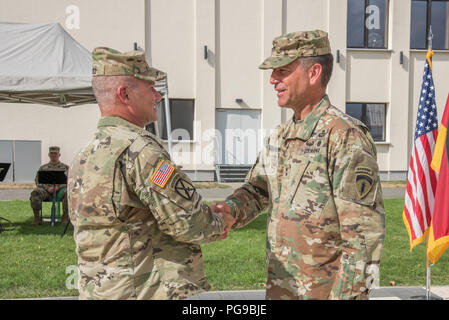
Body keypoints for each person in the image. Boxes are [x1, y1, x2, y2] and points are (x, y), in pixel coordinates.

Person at [212, 30, 385, 300]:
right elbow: (258, 190)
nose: (273, 80)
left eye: (282, 71)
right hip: (282, 290)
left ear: (314, 73)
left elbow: (363, 237)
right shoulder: (280, 136)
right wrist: (231, 210)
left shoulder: (344, 136)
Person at [68, 47, 235, 300]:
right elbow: (187, 222)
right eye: (150, 88)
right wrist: (220, 222)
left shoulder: (83, 155)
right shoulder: (141, 150)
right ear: (124, 94)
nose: (157, 95)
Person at [30, 146, 69, 225]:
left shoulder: (65, 168)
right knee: (35, 192)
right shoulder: (43, 168)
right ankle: (37, 218)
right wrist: (47, 188)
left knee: (68, 193)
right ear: (49, 154)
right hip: (46, 191)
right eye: (52, 153)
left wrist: (58, 187)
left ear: (59, 155)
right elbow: (38, 181)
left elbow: (69, 181)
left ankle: (65, 217)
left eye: (55, 153)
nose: (53, 155)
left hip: (60, 191)